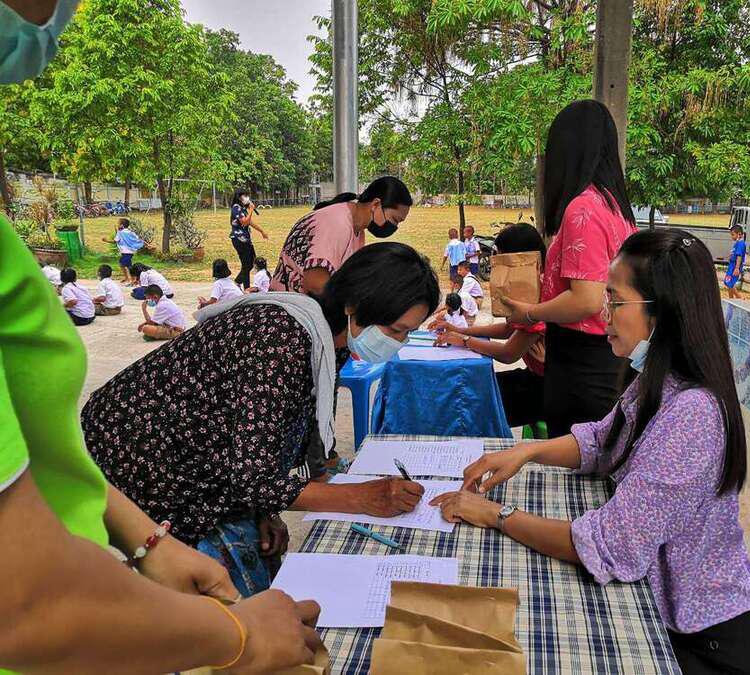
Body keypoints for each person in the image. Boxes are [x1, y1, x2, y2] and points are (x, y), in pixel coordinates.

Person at [0, 4, 323, 673]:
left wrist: (146, 540)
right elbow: (23, 605)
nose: (63, 13)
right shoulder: (275, 332)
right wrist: (238, 636)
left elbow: (32, 446)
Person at [431, 229, 750, 675]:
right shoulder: (659, 379)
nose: (603, 313)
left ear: (662, 312)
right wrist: (526, 452)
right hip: (670, 618)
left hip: (711, 645)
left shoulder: (693, 414)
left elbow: (610, 544)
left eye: (615, 300)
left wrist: (495, 514)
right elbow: (602, 439)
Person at [83, 243, 440, 596]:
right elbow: (250, 478)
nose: (400, 342)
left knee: (256, 562)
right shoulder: (279, 340)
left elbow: (270, 433)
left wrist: (266, 510)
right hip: (143, 451)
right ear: (354, 305)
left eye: (409, 332)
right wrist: (361, 498)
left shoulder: (331, 340)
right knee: (220, 590)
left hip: (207, 449)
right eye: (396, 330)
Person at [500, 100, 637, 437]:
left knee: (575, 452)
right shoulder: (617, 208)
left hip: (580, 365)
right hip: (609, 358)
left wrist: (530, 313)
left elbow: (586, 300)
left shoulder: (583, 208)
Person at [431, 223, 547, 430]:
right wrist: (459, 330)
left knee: (474, 402)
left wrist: (464, 340)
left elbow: (508, 353)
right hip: (534, 376)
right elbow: (509, 329)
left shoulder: (542, 296)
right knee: (474, 386)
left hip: (547, 387)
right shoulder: (531, 289)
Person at [271, 176, 412, 295]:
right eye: (395, 220)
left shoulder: (357, 230)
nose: (394, 227)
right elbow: (315, 284)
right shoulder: (336, 223)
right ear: (376, 204)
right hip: (289, 309)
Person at [230, 190, 269, 290]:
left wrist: (262, 231)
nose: (247, 198)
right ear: (239, 197)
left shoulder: (242, 208)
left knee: (250, 263)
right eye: (245, 196)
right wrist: (251, 209)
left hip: (246, 239)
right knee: (246, 265)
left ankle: (241, 284)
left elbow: (249, 222)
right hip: (239, 239)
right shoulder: (236, 207)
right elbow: (244, 222)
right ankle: (242, 285)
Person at [103, 217, 144, 285]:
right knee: (128, 266)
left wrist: (106, 240)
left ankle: (129, 279)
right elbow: (137, 239)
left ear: (122, 225)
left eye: (118, 224)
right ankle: (132, 278)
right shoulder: (130, 232)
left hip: (125, 252)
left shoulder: (120, 233)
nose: (117, 225)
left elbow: (115, 241)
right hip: (130, 252)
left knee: (123, 265)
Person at [724, 225, 746, 299]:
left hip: (735, 266)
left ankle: (740, 298)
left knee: (728, 282)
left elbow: (739, 256)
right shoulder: (737, 243)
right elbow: (735, 254)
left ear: (739, 234)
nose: (732, 237)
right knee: (729, 283)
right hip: (732, 265)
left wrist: (736, 268)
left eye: (733, 235)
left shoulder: (740, 244)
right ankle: (731, 299)